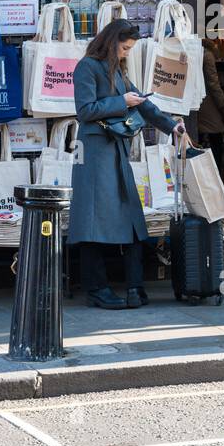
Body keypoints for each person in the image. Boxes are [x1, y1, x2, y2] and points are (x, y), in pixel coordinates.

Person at [70, 19, 186, 310]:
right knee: (93, 223)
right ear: (111, 43)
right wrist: (122, 100)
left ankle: (134, 285)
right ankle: (97, 288)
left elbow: (143, 105)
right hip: (95, 153)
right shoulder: (87, 67)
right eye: (124, 47)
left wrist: (172, 127)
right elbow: (84, 111)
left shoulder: (117, 70)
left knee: (131, 218)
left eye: (130, 49)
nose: (126, 53)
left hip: (114, 151)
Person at [193, 41, 224, 164]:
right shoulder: (207, 55)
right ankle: (216, 174)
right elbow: (213, 84)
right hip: (209, 105)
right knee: (215, 143)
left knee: (199, 141)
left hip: (196, 106)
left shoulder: (193, 51)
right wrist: (223, 105)